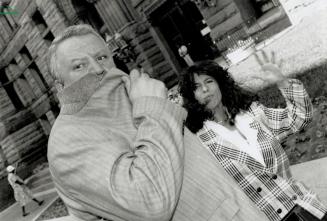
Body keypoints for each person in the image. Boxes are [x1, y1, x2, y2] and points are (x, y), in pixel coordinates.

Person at [47, 24, 269, 221]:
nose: (97, 69)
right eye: (79, 66)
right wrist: (153, 107)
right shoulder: (66, 140)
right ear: (60, 86)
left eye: (101, 58)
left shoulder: (132, 93)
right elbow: (149, 203)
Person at [178, 57, 327, 221]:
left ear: (220, 83)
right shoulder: (201, 143)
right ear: (192, 96)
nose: (205, 89)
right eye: (196, 87)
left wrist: (282, 82)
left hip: (306, 207)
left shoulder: (251, 113)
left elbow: (299, 118)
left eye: (209, 81)